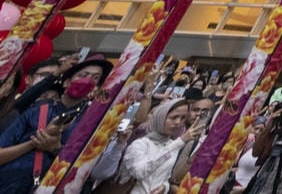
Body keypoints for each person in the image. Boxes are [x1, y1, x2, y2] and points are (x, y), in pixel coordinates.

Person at [0, 56, 111, 194]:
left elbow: (83, 172)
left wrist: (56, 149)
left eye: (95, 78)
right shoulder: (37, 110)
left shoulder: (90, 125)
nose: (87, 80)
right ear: (66, 83)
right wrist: (35, 142)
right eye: (83, 75)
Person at [117, 97, 194, 194]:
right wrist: (179, 142)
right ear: (161, 117)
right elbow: (139, 172)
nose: (178, 122)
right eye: (174, 117)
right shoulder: (141, 144)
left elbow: (165, 177)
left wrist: (164, 187)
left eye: (183, 118)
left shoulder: (171, 145)